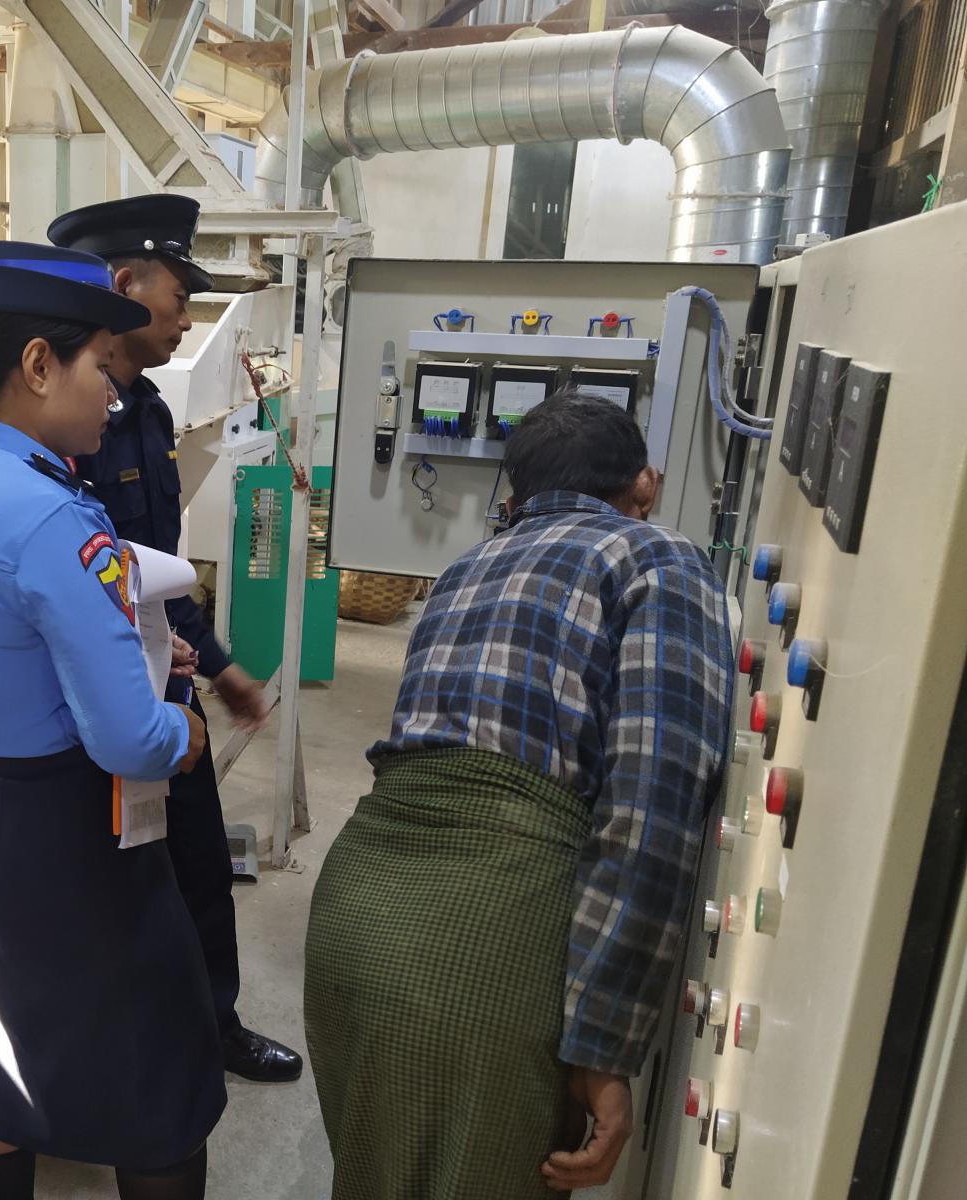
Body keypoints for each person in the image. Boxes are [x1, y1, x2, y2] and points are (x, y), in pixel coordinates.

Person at [305, 391, 734, 1198]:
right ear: (645, 485)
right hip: (488, 937)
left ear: (517, 492)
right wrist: (606, 1043)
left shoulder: (464, 569)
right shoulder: (660, 562)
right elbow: (650, 810)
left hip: (355, 920)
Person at [0, 240, 225, 1199]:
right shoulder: (56, 518)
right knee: (158, 1068)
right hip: (63, 831)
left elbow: (0, 648)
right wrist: (181, 731)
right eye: (98, 367)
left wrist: (133, 650)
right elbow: (127, 740)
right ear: (40, 365)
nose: (112, 395)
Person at [47, 195, 303, 1084]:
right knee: (105, 880)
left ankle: (210, 1025)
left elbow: (160, 571)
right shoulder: (62, 431)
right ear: (125, 284)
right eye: (179, 294)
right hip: (94, 701)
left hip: (168, 688)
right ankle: (109, 1051)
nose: (188, 316)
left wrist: (220, 668)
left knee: (198, 864)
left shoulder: (151, 413)